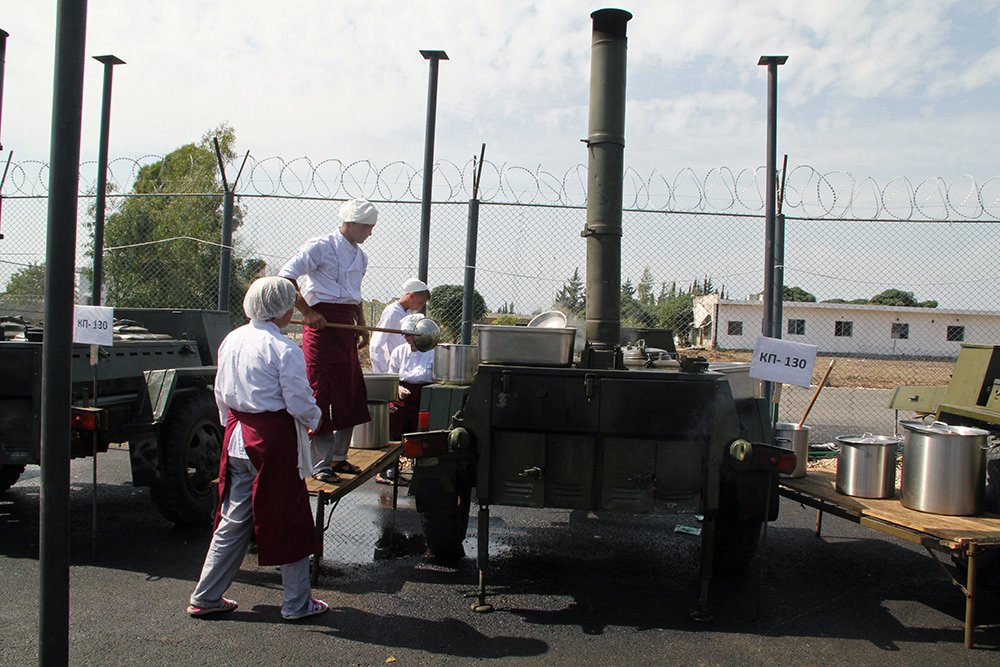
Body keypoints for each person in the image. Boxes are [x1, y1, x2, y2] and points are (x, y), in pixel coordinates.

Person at [187, 277, 328, 621]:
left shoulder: (232, 339)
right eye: (291, 304)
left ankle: (206, 596)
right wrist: (317, 418)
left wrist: (229, 424)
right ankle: (296, 603)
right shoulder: (283, 348)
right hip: (272, 442)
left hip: (237, 436)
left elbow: (221, 392)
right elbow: (297, 400)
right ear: (282, 309)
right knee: (290, 517)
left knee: (233, 519)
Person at [278, 199, 377, 484]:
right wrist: (307, 312)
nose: (369, 233)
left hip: (344, 324)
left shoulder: (361, 257)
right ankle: (319, 464)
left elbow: (354, 294)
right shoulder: (320, 245)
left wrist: (361, 324)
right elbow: (286, 276)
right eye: (367, 227)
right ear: (352, 222)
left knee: (349, 390)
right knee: (320, 392)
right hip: (322, 326)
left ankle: (338, 456)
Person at [377, 313, 435, 485]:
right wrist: (398, 388)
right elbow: (392, 375)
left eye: (410, 335)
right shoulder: (399, 351)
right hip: (403, 395)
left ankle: (420, 470)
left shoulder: (433, 353)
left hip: (425, 396)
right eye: (406, 335)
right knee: (393, 423)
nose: (407, 338)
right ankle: (389, 469)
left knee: (420, 432)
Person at [368, 277, 431, 373]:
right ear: (411, 296)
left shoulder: (408, 314)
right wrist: (383, 373)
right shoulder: (393, 312)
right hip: (389, 368)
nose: (419, 307)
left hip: (401, 367)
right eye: (420, 303)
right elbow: (376, 344)